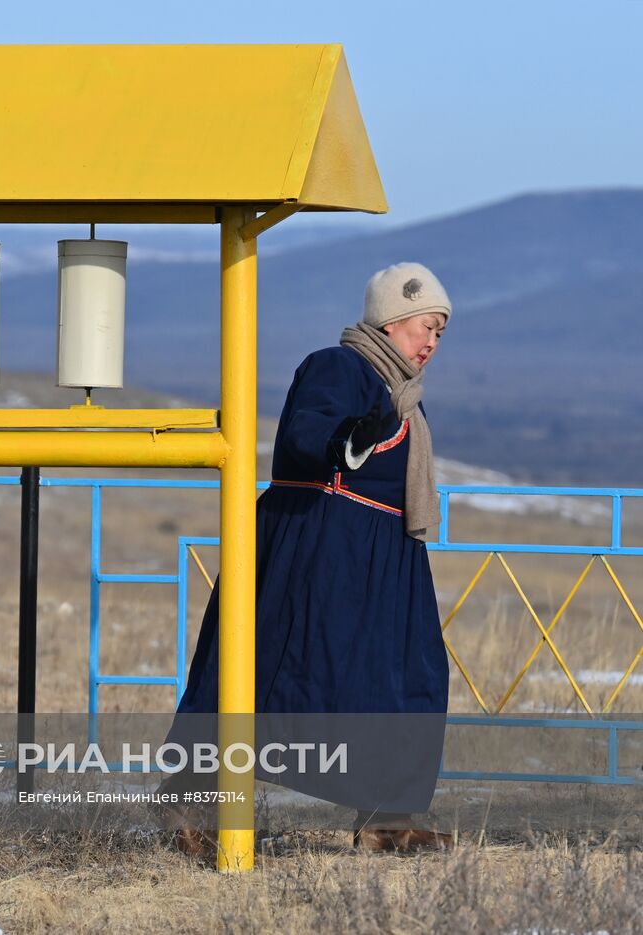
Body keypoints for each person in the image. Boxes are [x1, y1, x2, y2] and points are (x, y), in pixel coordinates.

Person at [162, 262, 453, 854]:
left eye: (440, 333)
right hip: (318, 548)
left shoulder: (403, 394)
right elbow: (303, 434)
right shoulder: (339, 366)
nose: (431, 342)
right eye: (424, 326)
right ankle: (188, 806)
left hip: (385, 555)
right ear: (391, 321)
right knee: (270, 669)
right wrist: (350, 436)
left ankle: (388, 818)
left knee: (405, 676)